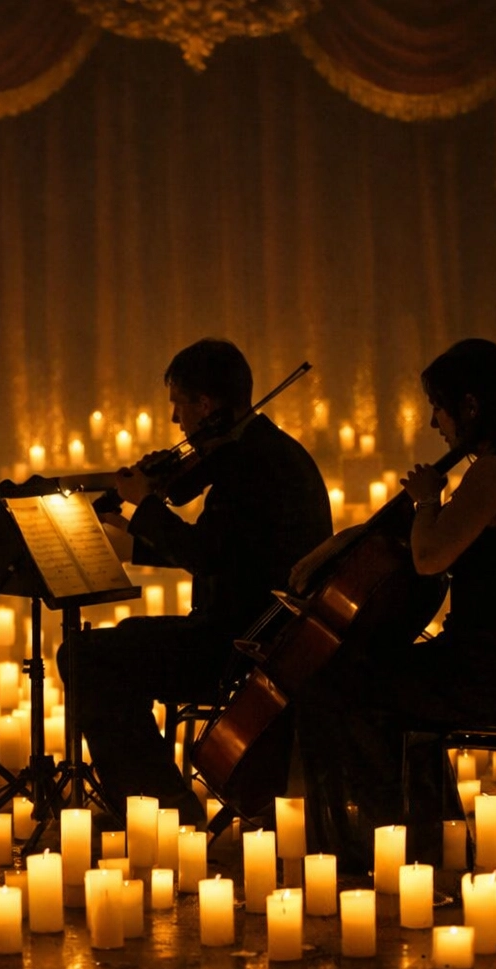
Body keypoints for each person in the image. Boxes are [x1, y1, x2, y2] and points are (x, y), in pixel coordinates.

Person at [289, 337, 496, 868]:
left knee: (334, 684)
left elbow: (429, 556)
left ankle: (366, 845)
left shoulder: (494, 472)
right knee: (371, 680)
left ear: (469, 406)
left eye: (438, 408)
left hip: (491, 670)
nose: (434, 424)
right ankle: (424, 835)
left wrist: (425, 500)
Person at [59, 338, 333, 824]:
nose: (174, 422)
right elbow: (224, 549)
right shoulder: (263, 451)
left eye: (178, 404)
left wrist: (144, 505)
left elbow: (205, 553)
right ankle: (153, 797)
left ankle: (160, 810)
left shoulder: (253, 465)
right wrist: (130, 533)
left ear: (205, 405)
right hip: (260, 633)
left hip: (243, 645)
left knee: (86, 657)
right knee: (122, 642)